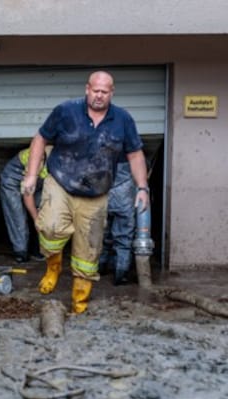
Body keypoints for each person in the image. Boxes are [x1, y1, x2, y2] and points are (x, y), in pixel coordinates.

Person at [21, 70, 150, 315]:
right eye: (96, 90)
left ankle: (79, 304)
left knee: (87, 254)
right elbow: (40, 140)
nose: (99, 95)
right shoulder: (65, 111)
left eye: (105, 91)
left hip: (96, 195)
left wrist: (142, 187)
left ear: (112, 93)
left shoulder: (123, 119)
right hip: (60, 183)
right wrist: (31, 174)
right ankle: (53, 267)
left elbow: (135, 154)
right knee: (49, 226)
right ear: (87, 89)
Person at [0, 146, 50, 263]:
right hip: (13, 179)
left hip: (38, 181)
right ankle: (21, 252)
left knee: (43, 210)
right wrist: (36, 219)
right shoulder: (35, 162)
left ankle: (38, 249)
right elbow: (28, 195)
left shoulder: (56, 156)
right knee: (17, 216)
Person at [99, 154, 137, 285]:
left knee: (102, 234)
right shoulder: (129, 145)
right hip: (125, 192)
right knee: (124, 237)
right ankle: (120, 273)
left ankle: (100, 267)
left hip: (103, 191)